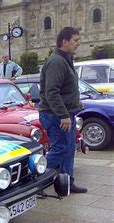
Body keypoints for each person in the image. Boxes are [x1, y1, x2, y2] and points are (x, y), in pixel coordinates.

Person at [38, 27, 87, 194]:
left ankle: (67, 183)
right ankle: (35, 180)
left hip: (66, 113)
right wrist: (63, 115)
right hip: (55, 116)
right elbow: (51, 92)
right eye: (76, 40)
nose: (78, 44)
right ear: (64, 42)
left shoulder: (66, 59)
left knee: (69, 148)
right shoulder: (57, 61)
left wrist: (75, 102)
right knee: (60, 148)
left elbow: (65, 88)